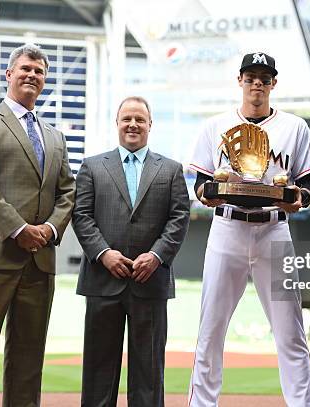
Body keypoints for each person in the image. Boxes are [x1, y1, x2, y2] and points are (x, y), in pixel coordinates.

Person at [188, 52, 310, 407]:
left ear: (273, 83)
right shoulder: (215, 125)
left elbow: (308, 185)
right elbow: (200, 184)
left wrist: (297, 199)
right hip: (226, 228)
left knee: (291, 332)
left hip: (275, 232)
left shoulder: (295, 127)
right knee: (210, 332)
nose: (257, 83)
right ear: (240, 80)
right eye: (251, 76)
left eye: (264, 77)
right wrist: (211, 192)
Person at [0, 43, 75, 406]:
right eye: (25, 68)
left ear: (45, 80)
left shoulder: (54, 136)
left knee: (28, 363)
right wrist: (19, 229)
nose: (32, 75)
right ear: (9, 74)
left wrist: (50, 230)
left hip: (39, 263)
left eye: (39, 71)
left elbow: (67, 191)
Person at [72, 96, 190, 407]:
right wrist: (103, 253)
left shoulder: (172, 170)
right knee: (98, 372)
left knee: (149, 374)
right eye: (127, 118)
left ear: (150, 125)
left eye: (140, 119)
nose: (133, 124)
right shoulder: (92, 167)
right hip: (102, 281)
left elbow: (179, 218)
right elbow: (81, 216)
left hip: (150, 283)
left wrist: (157, 256)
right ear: (117, 124)